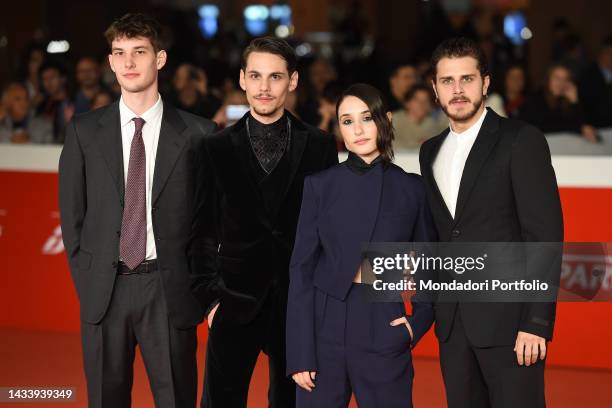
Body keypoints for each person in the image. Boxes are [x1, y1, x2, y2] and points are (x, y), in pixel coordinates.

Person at [58, 13, 216, 408]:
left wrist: (201, 289)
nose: (128, 63)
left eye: (139, 52)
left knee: (176, 400)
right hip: (104, 292)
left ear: (159, 59)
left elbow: (210, 224)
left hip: (168, 289)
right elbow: (72, 218)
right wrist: (90, 280)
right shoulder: (83, 131)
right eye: (119, 53)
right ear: (110, 62)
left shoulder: (199, 135)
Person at [193, 36, 338, 408]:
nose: (263, 87)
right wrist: (211, 301)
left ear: (292, 81)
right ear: (242, 79)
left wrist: (320, 302)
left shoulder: (320, 145)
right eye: (255, 76)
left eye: (275, 77)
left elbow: (330, 231)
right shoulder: (216, 147)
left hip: (297, 303)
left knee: (292, 403)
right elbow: (202, 231)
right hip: (234, 300)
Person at [420, 37, 564, 408]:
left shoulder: (521, 140)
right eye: (447, 81)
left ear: (485, 83)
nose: (457, 90)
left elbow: (544, 235)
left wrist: (536, 322)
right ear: (434, 89)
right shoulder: (429, 151)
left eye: (466, 79)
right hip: (453, 325)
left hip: (511, 322)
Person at [287, 83, 436, 408]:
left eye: (366, 118)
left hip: (383, 323)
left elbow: (430, 263)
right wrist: (300, 352)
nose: (358, 130)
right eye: (347, 120)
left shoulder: (411, 188)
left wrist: (417, 323)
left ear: (385, 119)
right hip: (324, 329)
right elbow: (301, 269)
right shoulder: (320, 185)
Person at [519, 64, 596, 141]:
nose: (561, 83)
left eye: (565, 79)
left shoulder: (566, 98)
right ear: (548, 79)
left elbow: (584, 124)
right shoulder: (536, 98)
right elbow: (543, 127)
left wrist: (575, 101)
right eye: (557, 78)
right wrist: (577, 128)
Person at [392, 84, 446, 150]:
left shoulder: (431, 124)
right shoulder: (395, 120)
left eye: (426, 101)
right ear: (407, 103)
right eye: (416, 100)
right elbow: (390, 144)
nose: (421, 104)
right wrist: (417, 144)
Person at [579, 36, 612, 128]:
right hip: (596, 126)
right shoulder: (588, 74)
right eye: (610, 54)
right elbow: (585, 103)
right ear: (602, 54)